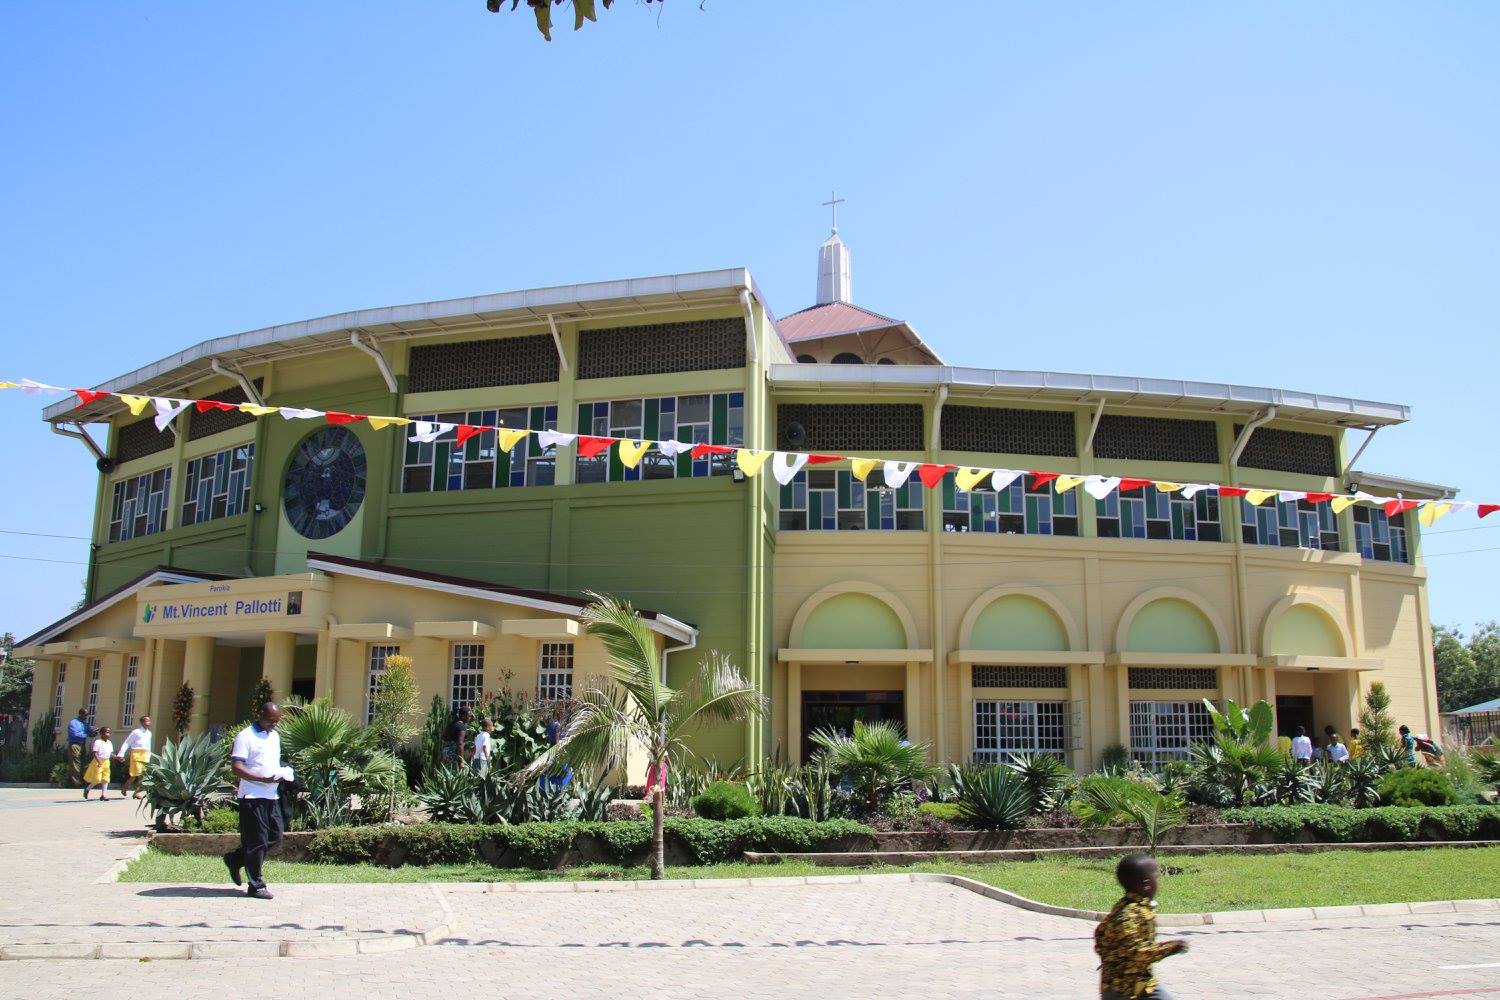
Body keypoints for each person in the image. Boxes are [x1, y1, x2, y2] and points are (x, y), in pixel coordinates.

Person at [223, 702, 293, 900]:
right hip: (252, 796)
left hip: (272, 795)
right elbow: (236, 767)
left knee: (275, 836)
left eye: (277, 721)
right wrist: (261, 779)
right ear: (260, 715)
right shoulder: (245, 736)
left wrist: (281, 774)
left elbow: (269, 762)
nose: (274, 724)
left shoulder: (275, 736)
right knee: (257, 842)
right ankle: (256, 885)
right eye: (271, 720)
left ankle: (235, 859)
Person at [1095, 853, 1187, 999]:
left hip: (1142, 983)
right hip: (1120, 988)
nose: (1158, 881)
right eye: (1156, 876)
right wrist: (1171, 947)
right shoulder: (1128, 915)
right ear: (1146, 884)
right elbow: (1138, 952)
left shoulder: (1135, 906)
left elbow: (1100, 932)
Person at [115, 716, 152, 799]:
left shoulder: (149, 733)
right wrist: (121, 753)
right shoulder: (136, 732)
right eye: (146, 721)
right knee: (135, 774)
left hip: (145, 754)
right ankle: (125, 787)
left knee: (143, 775)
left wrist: (149, 755)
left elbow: (148, 745)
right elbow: (127, 742)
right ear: (142, 722)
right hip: (136, 754)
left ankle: (136, 792)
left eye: (149, 721)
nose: (148, 723)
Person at [82, 726, 114, 800]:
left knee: (106, 778)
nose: (108, 734)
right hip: (98, 761)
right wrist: (99, 761)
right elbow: (95, 753)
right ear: (101, 733)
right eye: (106, 732)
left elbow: (110, 753)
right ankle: (87, 789)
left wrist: (117, 757)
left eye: (109, 732)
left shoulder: (109, 742)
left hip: (106, 761)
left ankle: (103, 795)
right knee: (97, 779)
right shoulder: (98, 742)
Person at [66, 709, 92, 787]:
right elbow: (75, 734)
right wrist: (86, 734)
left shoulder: (85, 724)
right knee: (75, 763)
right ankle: (76, 782)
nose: (86, 717)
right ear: (80, 714)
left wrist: (94, 732)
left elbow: (90, 733)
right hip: (74, 744)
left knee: (83, 763)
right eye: (85, 715)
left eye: (87, 715)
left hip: (82, 745)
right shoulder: (73, 723)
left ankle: (82, 780)